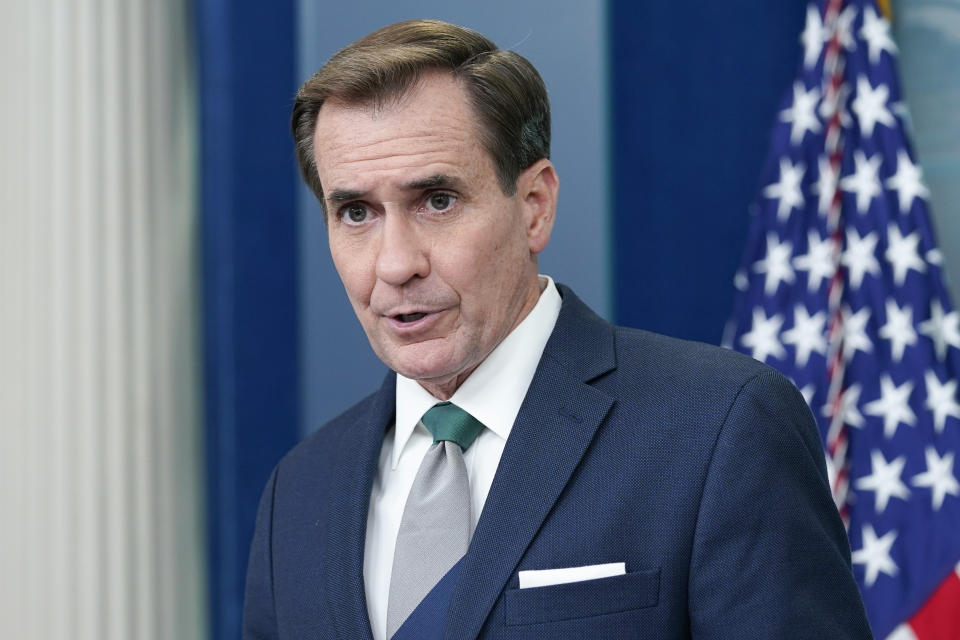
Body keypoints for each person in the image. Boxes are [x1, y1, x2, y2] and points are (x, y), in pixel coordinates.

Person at [243, 19, 872, 640]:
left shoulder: (718, 429)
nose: (396, 263)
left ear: (534, 207)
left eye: (437, 201)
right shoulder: (299, 493)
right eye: (356, 213)